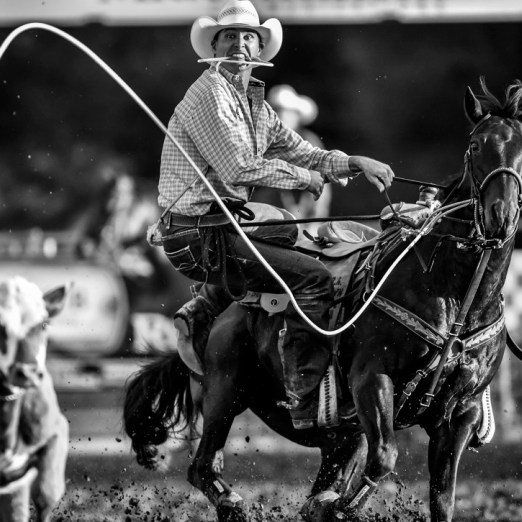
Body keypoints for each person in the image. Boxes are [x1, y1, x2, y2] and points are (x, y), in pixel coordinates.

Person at [155, 0, 394, 429]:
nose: (241, 44)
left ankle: (219, 311)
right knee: (314, 277)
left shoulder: (253, 104)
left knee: (294, 238)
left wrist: (355, 161)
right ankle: (304, 393)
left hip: (222, 221)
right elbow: (238, 167)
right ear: (215, 45)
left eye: (249, 37)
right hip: (197, 233)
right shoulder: (211, 92)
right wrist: (303, 178)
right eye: (231, 36)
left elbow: (303, 150)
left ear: (259, 46)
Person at [255, 84, 332, 235]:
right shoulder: (260, 142)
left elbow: (322, 186)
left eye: (286, 111)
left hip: (306, 222)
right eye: (277, 111)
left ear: (296, 115)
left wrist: (313, 221)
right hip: (269, 220)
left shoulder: (309, 140)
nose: (282, 115)